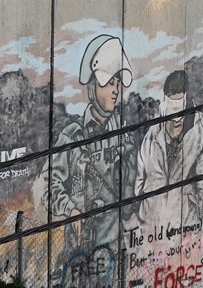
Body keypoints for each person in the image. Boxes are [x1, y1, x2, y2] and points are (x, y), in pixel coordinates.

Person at [49, 34, 138, 255]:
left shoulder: (124, 134)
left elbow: (131, 190)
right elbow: (51, 184)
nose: (116, 90)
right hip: (80, 249)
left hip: (115, 246)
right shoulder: (72, 136)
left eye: (117, 83)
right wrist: (71, 210)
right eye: (109, 83)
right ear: (92, 86)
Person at [134, 70, 203, 232]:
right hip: (152, 230)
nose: (177, 123)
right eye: (172, 118)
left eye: (180, 117)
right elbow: (139, 184)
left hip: (187, 229)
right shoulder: (152, 137)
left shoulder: (199, 135)